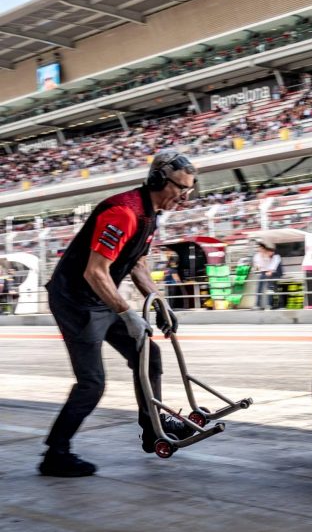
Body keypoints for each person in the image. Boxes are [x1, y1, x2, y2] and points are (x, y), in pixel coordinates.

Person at [39, 150, 198, 477]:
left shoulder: (150, 215)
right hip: (76, 300)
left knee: (149, 356)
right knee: (92, 383)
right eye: (180, 188)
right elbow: (95, 271)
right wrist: (127, 313)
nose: (184, 197)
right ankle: (55, 453)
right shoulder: (124, 212)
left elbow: (137, 263)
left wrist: (159, 302)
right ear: (158, 180)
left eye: (189, 190)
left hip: (99, 296)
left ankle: (153, 429)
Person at [253, 243, 282, 309]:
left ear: (264, 248)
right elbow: (257, 266)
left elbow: (273, 263)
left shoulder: (271, 255)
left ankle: (269, 304)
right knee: (259, 289)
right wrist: (257, 268)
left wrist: (270, 271)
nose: (260, 250)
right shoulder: (257, 256)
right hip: (262, 272)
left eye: (261, 248)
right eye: (259, 248)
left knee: (270, 289)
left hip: (270, 273)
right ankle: (257, 305)